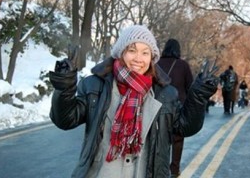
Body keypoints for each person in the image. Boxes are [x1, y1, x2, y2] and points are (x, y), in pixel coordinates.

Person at [48, 25, 219, 178]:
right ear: (121, 53)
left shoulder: (165, 94)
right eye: (132, 50)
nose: (138, 58)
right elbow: (66, 119)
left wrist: (199, 95)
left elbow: (185, 127)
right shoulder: (95, 86)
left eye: (145, 53)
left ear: (152, 58)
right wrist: (64, 86)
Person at [157, 38, 193, 177]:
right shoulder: (183, 65)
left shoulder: (157, 64)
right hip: (178, 106)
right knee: (178, 139)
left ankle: (160, 168)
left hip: (159, 106)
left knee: (161, 138)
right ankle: (174, 169)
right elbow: (190, 86)